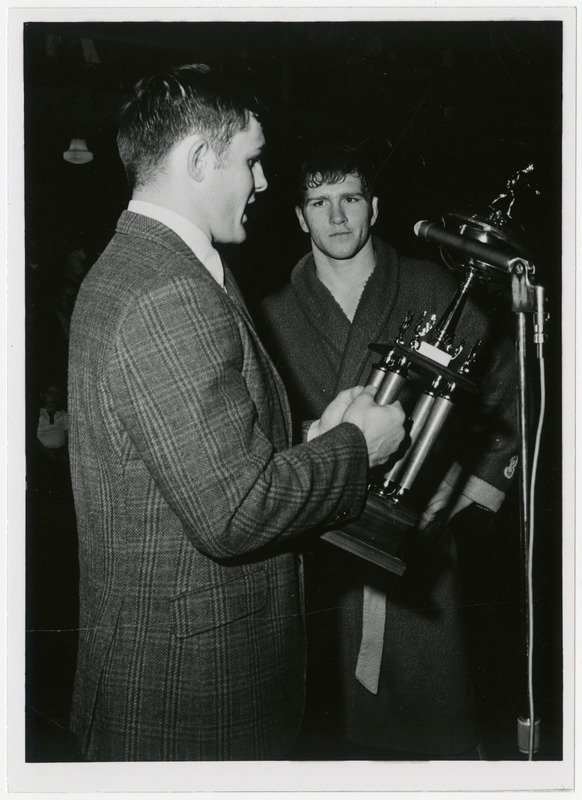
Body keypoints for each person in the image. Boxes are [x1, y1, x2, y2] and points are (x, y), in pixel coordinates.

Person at [67, 66, 406, 762]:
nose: (261, 183)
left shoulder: (147, 265)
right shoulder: (170, 291)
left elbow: (201, 458)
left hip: (173, 672)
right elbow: (233, 510)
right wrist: (353, 446)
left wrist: (310, 436)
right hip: (192, 694)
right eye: (250, 161)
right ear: (198, 159)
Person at [258, 145, 518, 758]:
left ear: (374, 207)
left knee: (438, 728)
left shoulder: (433, 287)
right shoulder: (271, 316)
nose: (338, 217)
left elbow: (506, 391)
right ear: (300, 218)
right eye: (319, 203)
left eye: (350, 199)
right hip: (321, 559)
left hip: (420, 546)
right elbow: (264, 435)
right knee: (335, 742)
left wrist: (455, 495)